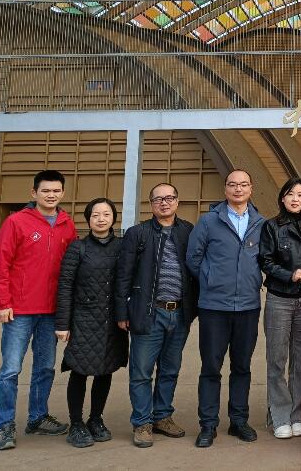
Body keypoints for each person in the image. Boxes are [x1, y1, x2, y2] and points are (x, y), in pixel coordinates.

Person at [0, 169, 78, 451]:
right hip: (19, 311)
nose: (51, 195)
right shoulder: (16, 222)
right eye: (45, 191)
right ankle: (5, 425)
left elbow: (73, 268)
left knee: (45, 368)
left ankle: (37, 417)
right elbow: (0, 265)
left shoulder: (67, 225)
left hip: (51, 312)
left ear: (63, 193)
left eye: (56, 191)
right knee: (10, 370)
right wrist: (3, 303)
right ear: (34, 193)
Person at [187, 169, 267, 447]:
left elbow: (266, 259)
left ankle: (238, 421)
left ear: (251, 189)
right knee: (211, 367)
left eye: (243, 184)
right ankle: (208, 424)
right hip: (214, 307)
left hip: (248, 306)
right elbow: (193, 258)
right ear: (225, 189)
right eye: (233, 185)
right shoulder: (209, 221)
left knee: (242, 367)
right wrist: (211, 280)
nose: (238, 189)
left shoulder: (260, 223)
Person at [115, 182, 196, 448]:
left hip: (179, 313)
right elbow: (124, 274)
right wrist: (122, 311)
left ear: (177, 201)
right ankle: (142, 422)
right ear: (151, 204)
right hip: (149, 312)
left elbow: (195, 270)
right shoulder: (137, 233)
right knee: (141, 372)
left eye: (169, 198)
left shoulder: (188, 231)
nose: (164, 202)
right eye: (158, 199)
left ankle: (162, 416)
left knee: (170, 370)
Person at [54, 198, 129, 448]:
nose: (101, 219)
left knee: (105, 370)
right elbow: (65, 286)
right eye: (95, 214)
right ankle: (76, 423)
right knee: (80, 370)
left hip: (112, 321)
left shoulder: (122, 247)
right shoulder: (78, 248)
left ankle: (96, 419)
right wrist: (63, 324)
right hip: (83, 320)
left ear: (113, 218)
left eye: (106, 214)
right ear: (88, 219)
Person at [258, 177, 301, 440]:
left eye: (300, 195)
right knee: (277, 360)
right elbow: (265, 261)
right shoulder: (271, 226)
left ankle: (296, 415)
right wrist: (289, 275)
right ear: (282, 198)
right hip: (279, 299)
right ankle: (279, 416)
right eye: (290, 194)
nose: (295, 199)